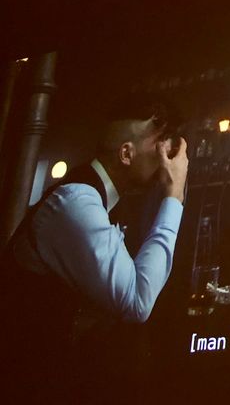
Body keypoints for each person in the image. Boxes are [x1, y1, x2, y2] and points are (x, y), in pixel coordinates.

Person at [0, 93, 189, 396]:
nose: (169, 153)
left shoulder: (104, 198)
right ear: (126, 154)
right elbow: (137, 301)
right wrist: (174, 195)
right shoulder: (77, 202)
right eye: (162, 140)